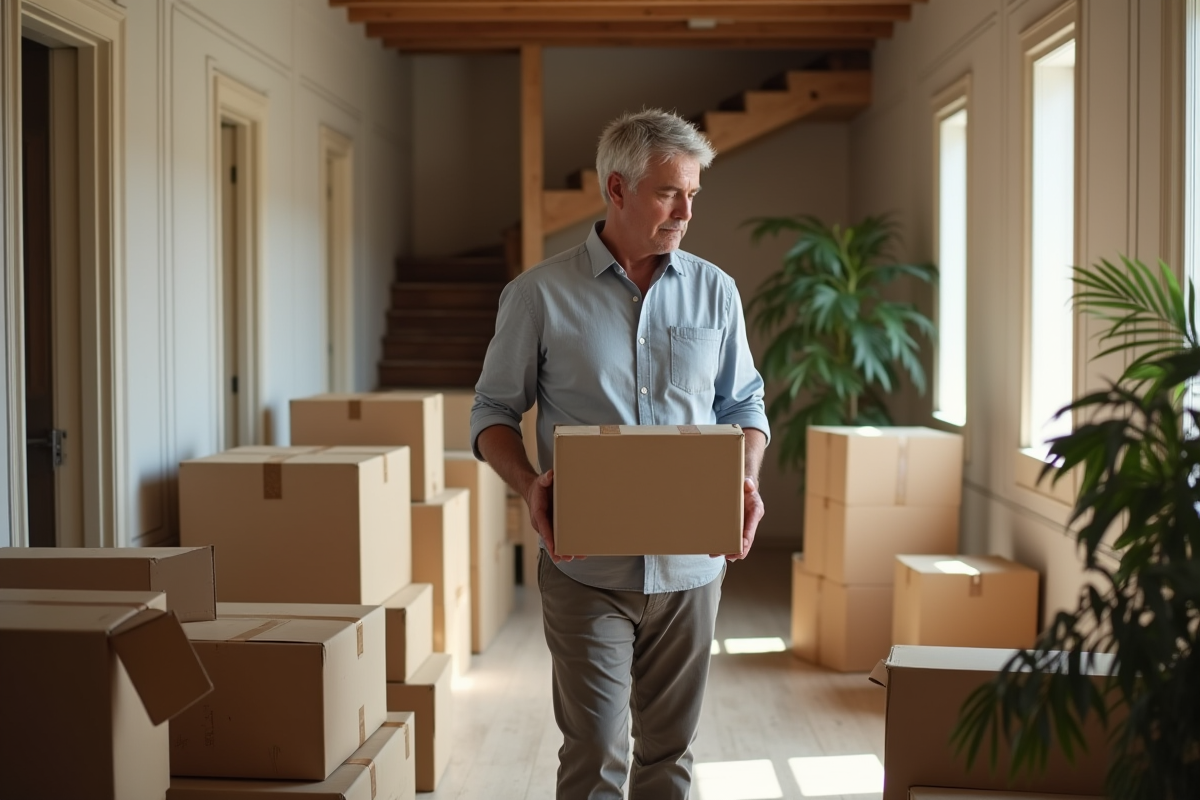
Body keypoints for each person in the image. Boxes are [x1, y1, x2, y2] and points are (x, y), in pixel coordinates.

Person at [469, 108, 769, 800]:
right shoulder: (538, 295)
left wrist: (746, 476)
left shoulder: (716, 291)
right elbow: (492, 412)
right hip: (585, 567)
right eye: (670, 192)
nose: (685, 210)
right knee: (597, 748)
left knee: (670, 753)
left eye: (693, 194)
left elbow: (744, 405)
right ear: (617, 189)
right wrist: (525, 483)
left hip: (692, 570)